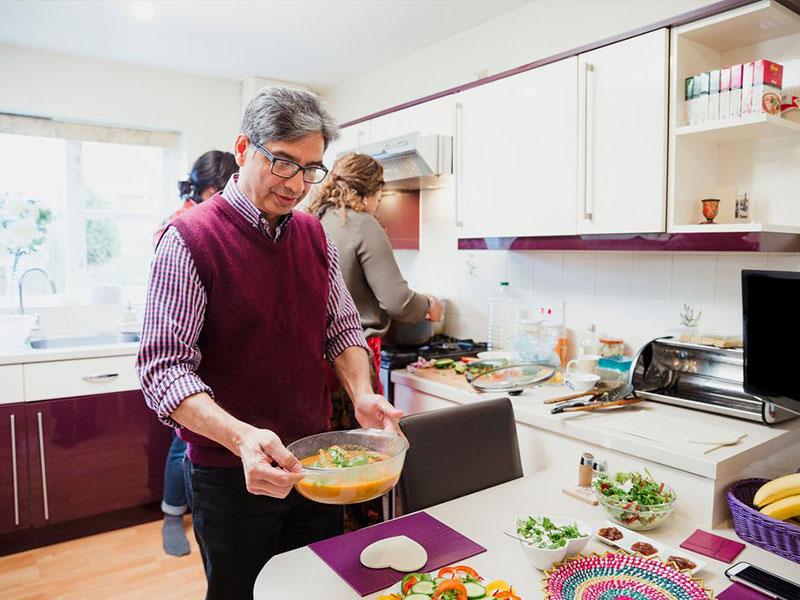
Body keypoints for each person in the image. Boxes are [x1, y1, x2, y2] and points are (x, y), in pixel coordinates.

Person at [137, 86, 402, 600]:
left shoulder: (312, 234)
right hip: (232, 473)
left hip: (317, 464)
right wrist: (240, 438)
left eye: (311, 168)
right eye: (283, 163)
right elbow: (163, 370)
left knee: (317, 590)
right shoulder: (190, 238)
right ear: (243, 149)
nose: (298, 183)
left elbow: (342, 329)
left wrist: (363, 392)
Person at [306, 153, 442, 531]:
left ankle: (330, 543)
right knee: (361, 463)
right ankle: (363, 543)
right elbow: (397, 300)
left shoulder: (311, 220)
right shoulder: (361, 222)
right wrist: (429, 305)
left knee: (328, 465)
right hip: (351, 360)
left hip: (311, 362)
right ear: (372, 191)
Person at [155, 150, 238, 557]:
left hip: (212, 358)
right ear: (209, 191)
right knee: (184, 441)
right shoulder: (182, 228)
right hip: (188, 358)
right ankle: (172, 516)